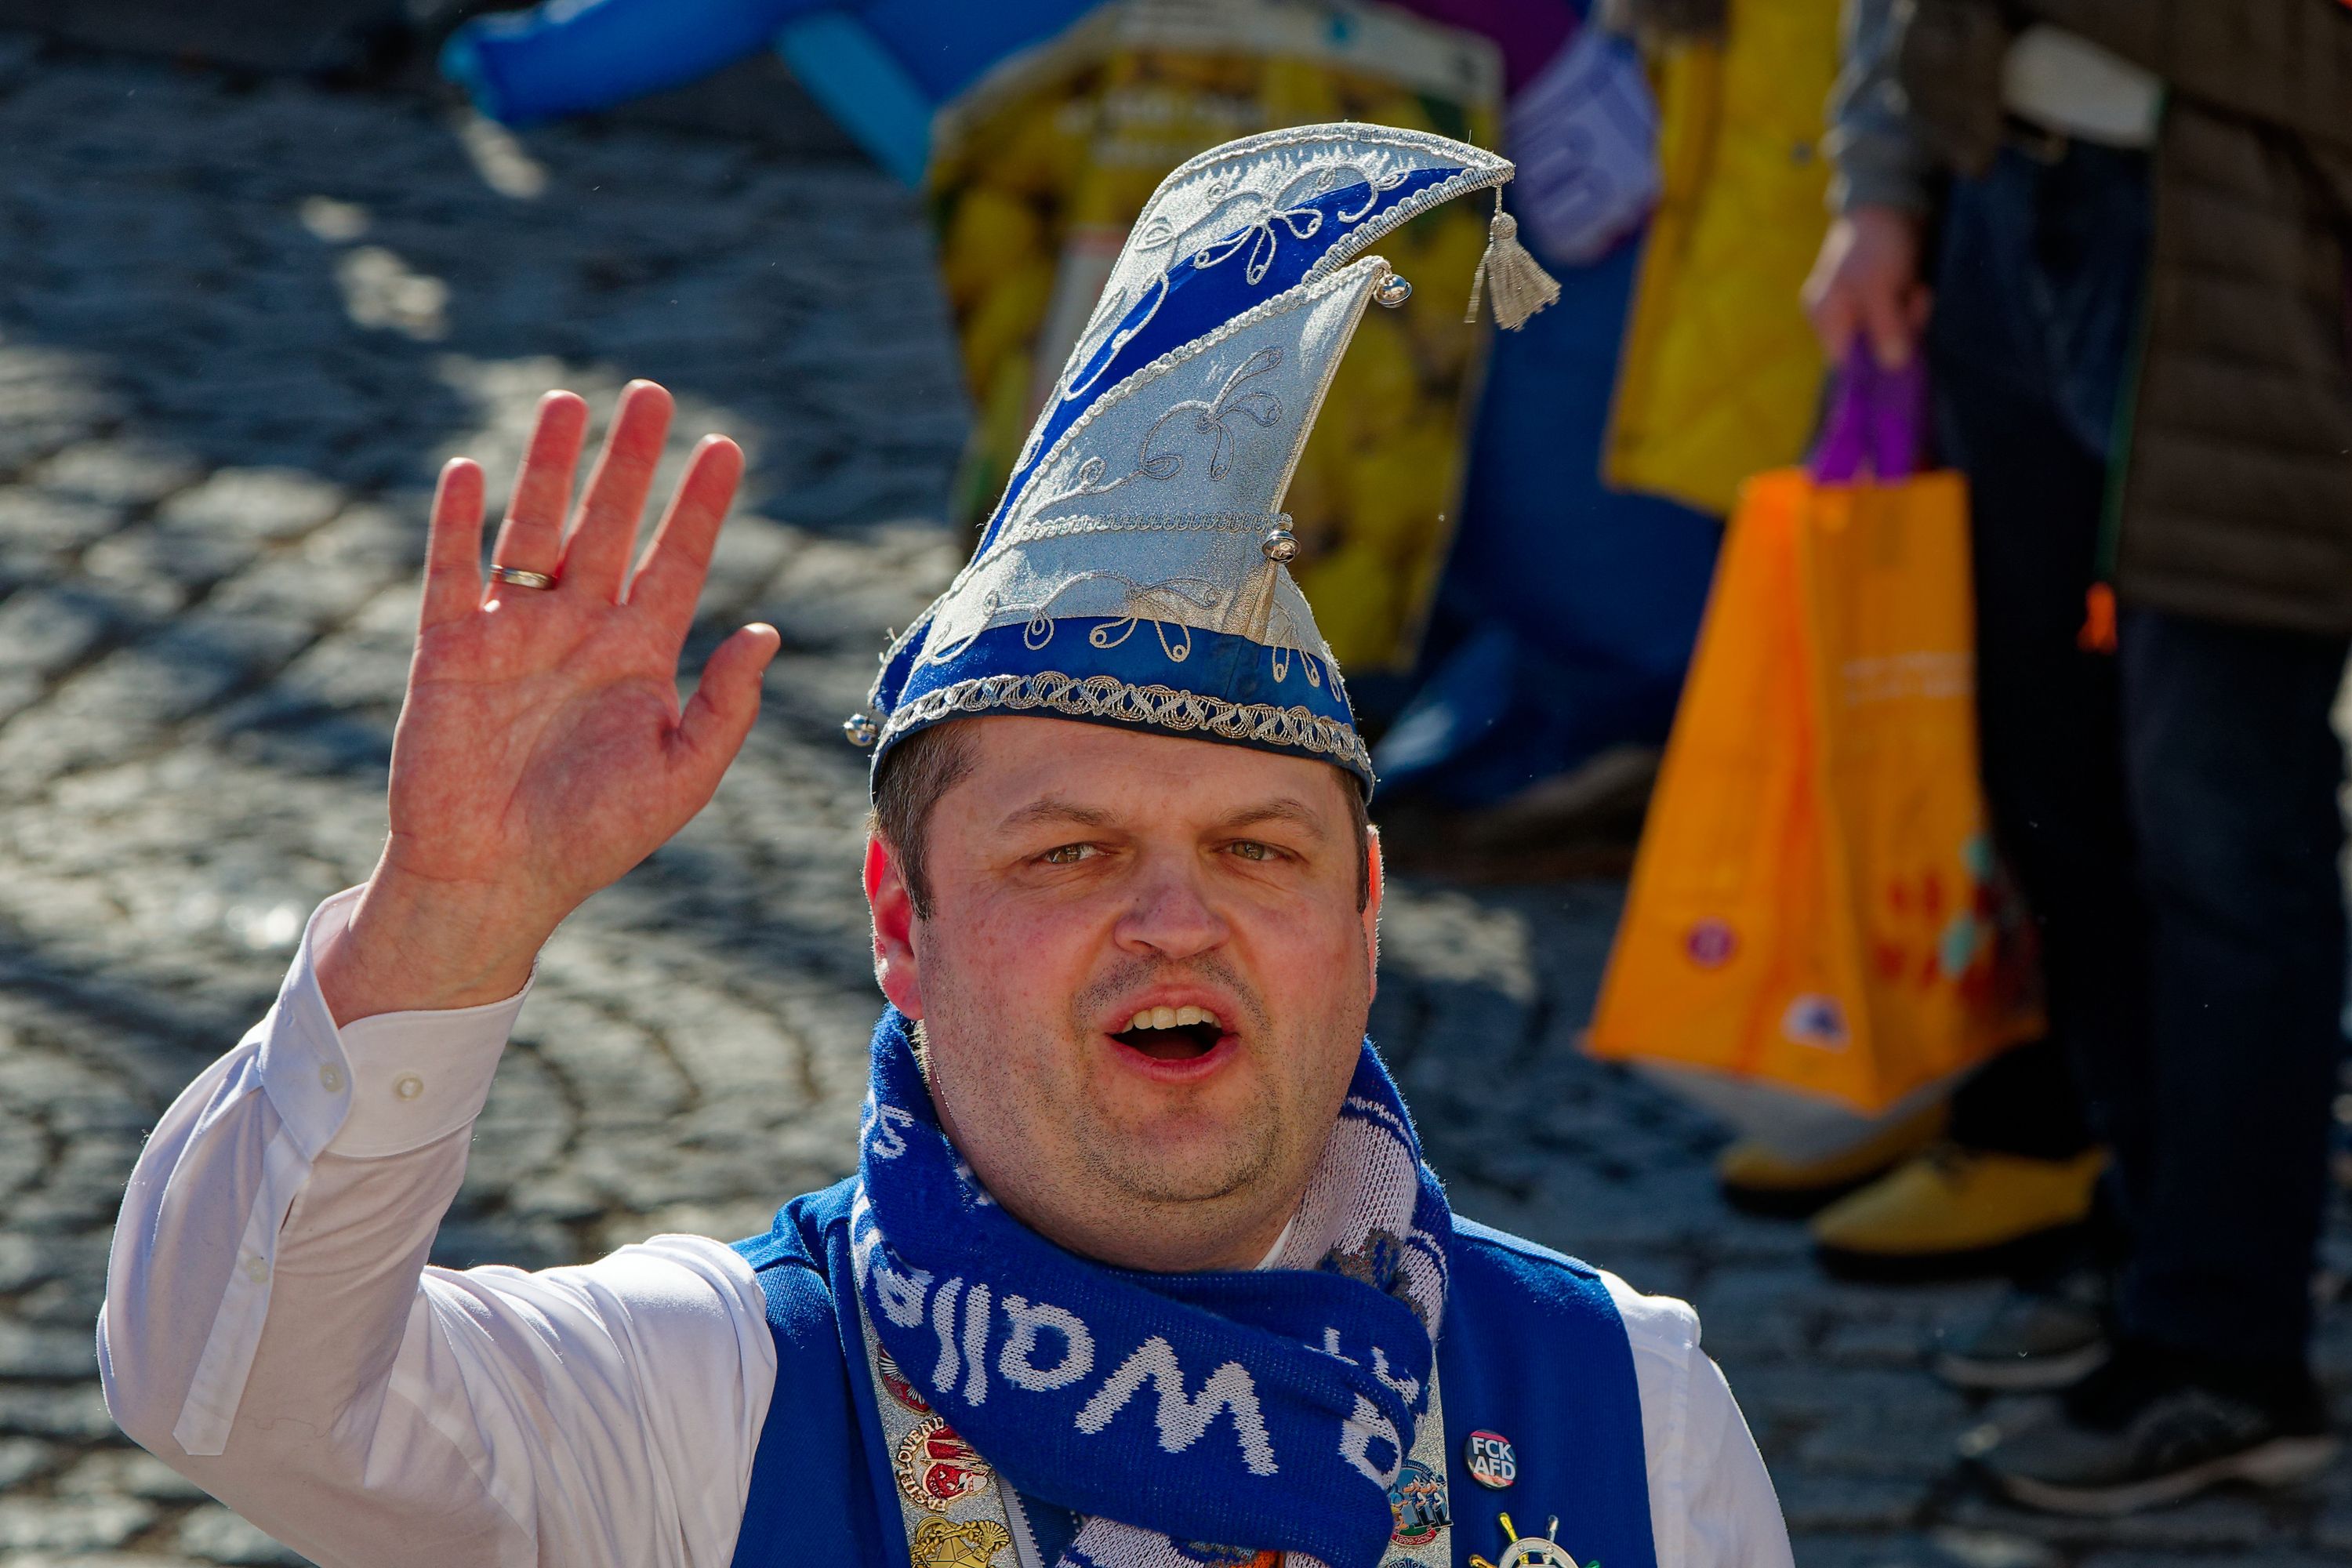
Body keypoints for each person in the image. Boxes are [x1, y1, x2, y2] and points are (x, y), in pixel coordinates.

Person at [99, 125, 1791, 1568]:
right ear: (899, 930)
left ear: (1364, 911)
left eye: (1262, 851)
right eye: (1066, 854)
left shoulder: (1625, 1410)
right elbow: (237, 1390)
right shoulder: (718, 1398)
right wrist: (446, 920)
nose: (1175, 919)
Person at [1804, 0, 2352, 1514]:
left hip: (2248, 223)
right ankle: (2151, 1240)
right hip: (2008, 192)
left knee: (2225, 821)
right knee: (2050, 780)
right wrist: (1883, 182)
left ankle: (2229, 1348)